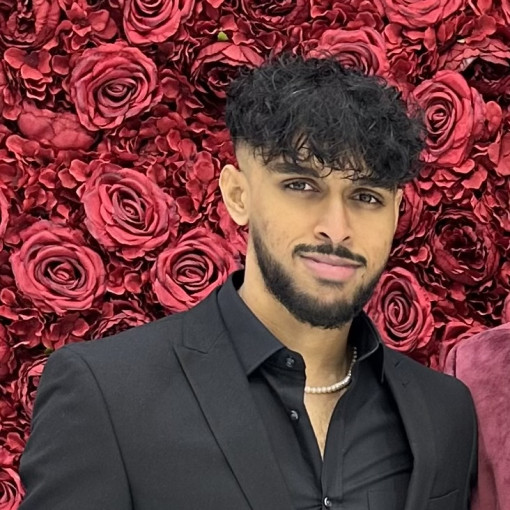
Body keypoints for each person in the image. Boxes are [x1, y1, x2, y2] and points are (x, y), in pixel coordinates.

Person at [19, 55, 477, 510]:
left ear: (396, 213)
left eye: (365, 196)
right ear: (238, 196)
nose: (336, 229)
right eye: (301, 185)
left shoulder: (444, 413)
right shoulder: (107, 393)